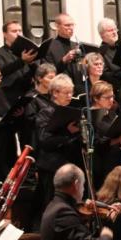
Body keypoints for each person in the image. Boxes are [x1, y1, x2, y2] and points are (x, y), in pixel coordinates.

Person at [40, 164, 117, 240]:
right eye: (83, 184)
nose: (83, 189)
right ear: (76, 184)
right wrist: (106, 236)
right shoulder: (62, 212)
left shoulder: (54, 205)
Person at [34, 74, 83, 210]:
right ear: (55, 93)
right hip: (51, 166)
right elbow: (44, 140)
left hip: (68, 163)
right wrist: (68, 132)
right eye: (66, 93)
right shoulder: (46, 112)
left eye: (71, 92)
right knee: (52, 203)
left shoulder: (70, 110)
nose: (70, 96)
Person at [0, 21, 37, 106]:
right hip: (8, 97)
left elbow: (36, 74)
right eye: (14, 31)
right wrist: (22, 61)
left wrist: (32, 63)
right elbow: (0, 71)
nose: (18, 34)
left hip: (28, 96)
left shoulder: (27, 52)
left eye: (20, 31)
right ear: (5, 34)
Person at [43, 13, 83, 83]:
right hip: (59, 86)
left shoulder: (76, 45)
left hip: (77, 86)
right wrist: (64, 61)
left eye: (72, 25)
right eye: (67, 25)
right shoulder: (49, 46)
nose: (71, 28)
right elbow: (47, 72)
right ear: (57, 26)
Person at [97, 18, 121, 89]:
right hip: (115, 89)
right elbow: (105, 76)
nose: (114, 32)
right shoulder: (100, 52)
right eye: (110, 30)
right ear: (102, 34)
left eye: (115, 29)